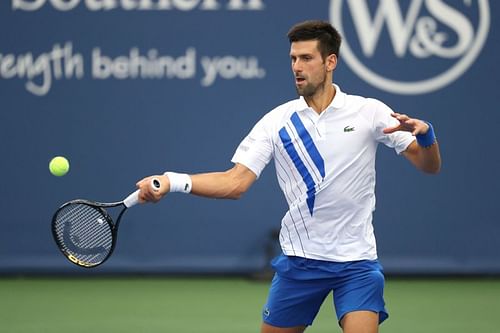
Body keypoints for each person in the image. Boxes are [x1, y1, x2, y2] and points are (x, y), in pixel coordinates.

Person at [136, 20, 441, 333]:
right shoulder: (276, 122)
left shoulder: (369, 112)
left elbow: (429, 165)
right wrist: (172, 180)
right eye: (293, 59)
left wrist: (428, 137)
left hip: (357, 262)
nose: (297, 66)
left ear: (330, 61)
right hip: (301, 262)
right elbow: (234, 183)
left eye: (307, 58)